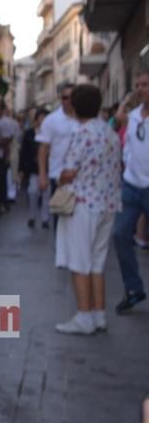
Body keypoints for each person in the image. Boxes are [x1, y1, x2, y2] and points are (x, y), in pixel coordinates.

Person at [53, 85, 120, 334]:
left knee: (79, 261)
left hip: (83, 205)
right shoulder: (109, 131)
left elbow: (69, 171)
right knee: (97, 263)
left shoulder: (82, 133)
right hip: (108, 203)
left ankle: (83, 316)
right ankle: (99, 314)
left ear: (76, 106)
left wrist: (61, 177)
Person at [111, 71, 149, 313]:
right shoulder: (133, 116)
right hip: (131, 186)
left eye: (145, 85)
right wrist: (126, 101)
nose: (140, 89)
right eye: (137, 85)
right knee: (120, 234)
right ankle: (133, 288)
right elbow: (116, 119)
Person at [37, 82, 79, 229]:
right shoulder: (51, 120)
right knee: (61, 220)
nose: (68, 101)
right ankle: (61, 250)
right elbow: (43, 149)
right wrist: (42, 175)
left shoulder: (84, 118)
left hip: (82, 177)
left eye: (71, 97)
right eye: (64, 97)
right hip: (59, 176)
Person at [20, 108, 51, 229]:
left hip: (48, 168)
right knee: (32, 192)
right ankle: (32, 216)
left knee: (46, 195)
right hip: (33, 168)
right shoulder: (29, 133)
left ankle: (45, 218)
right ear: (36, 119)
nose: (42, 120)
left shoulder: (50, 133)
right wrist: (22, 169)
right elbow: (24, 151)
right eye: (40, 117)